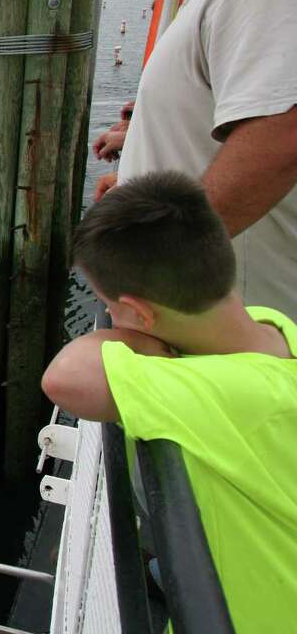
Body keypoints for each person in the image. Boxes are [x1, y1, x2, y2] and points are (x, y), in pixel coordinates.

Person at [40, 171, 297, 633]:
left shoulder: (209, 392)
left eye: (110, 310)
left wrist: (152, 349)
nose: (109, 323)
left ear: (140, 314)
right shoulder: (274, 327)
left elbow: (64, 377)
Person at [95, 0, 297, 315]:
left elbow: (281, 132)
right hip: (208, 315)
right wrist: (136, 185)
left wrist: (155, 260)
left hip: (228, 323)